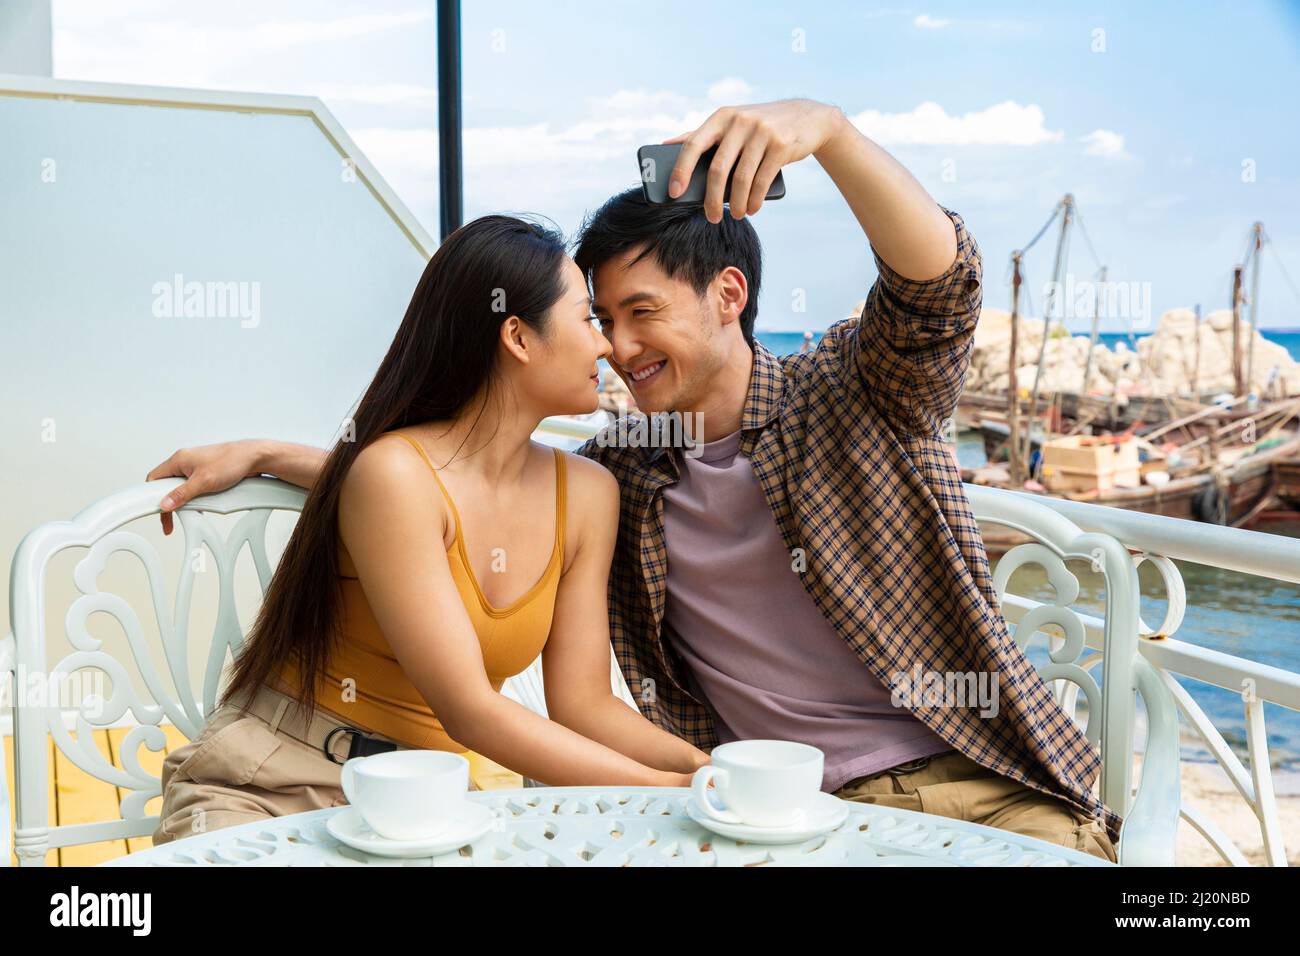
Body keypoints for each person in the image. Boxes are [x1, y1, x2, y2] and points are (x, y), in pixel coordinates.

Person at [150, 98, 1120, 861]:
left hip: (973, 788)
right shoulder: (624, 469)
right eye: (598, 317)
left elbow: (937, 286)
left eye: (639, 311)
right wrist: (276, 453)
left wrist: (827, 131)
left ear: (728, 295)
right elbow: (452, 492)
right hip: (769, 813)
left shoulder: (852, 391)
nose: (615, 346)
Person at [148, 215, 710, 846]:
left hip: (426, 808)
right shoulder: (391, 475)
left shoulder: (587, 493)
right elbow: (468, 709)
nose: (606, 346)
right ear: (518, 337)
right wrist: (662, 793)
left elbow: (583, 706)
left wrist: (697, 768)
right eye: (587, 319)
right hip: (273, 787)